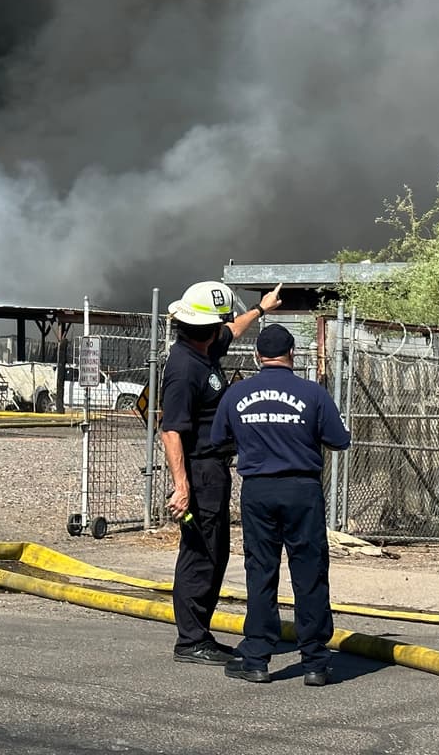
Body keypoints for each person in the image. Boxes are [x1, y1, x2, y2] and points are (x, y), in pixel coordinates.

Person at [212, 323, 351, 686]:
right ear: (292, 353)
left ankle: (257, 657)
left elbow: (218, 440)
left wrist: (252, 443)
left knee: (261, 572)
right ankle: (316, 663)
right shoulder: (313, 394)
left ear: (258, 356)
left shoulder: (236, 394)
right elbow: (338, 440)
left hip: (257, 489)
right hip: (301, 490)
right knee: (309, 572)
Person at [162, 279, 283, 665]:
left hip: (212, 469)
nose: (224, 328)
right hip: (200, 472)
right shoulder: (184, 369)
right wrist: (182, 487)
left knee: (214, 551)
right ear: (207, 327)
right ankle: (191, 640)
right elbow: (171, 430)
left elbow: (233, 329)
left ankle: (198, 634)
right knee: (202, 554)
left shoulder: (204, 347)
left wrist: (261, 308)